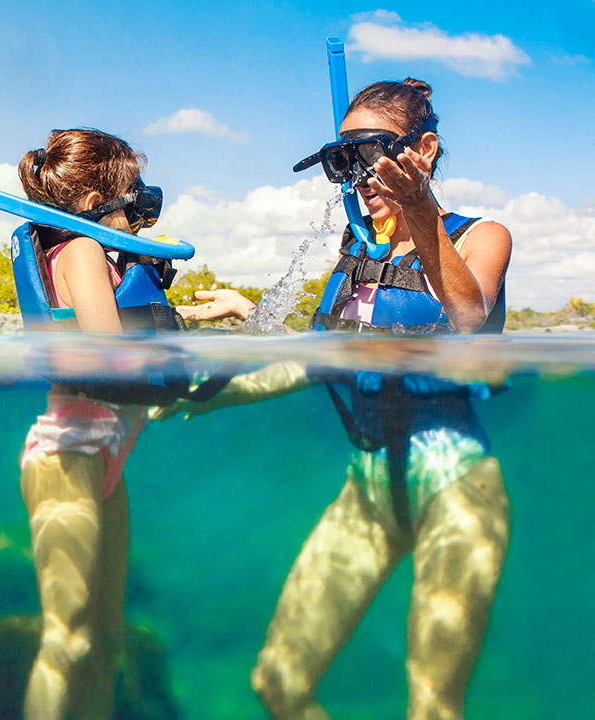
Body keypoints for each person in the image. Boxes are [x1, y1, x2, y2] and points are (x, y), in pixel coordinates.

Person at [165, 79, 512, 719]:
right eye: (344, 159)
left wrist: (419, 208)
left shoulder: (481, 236)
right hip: (367, 490)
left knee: (432, 705)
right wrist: (203, 394)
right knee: (279, 682)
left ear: (424, 150)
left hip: (456, 486)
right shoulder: (356, 253)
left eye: (372, 153)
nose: (359, 175)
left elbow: (469, 315)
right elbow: (316, 361)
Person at [15, 128, 165, 719]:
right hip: (68, 451)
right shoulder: (80, 250)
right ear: (97, 202)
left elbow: (120, 323)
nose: (143, 206)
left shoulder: (96, 258)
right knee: (68, 640)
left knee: (105, 639)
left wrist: (208, 313)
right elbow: (111, 350)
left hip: (105, 452)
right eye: (135, 193)